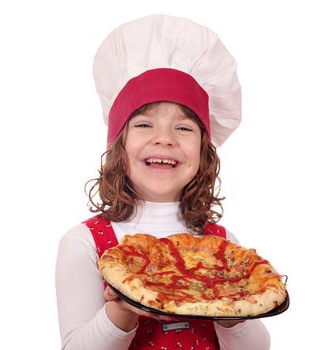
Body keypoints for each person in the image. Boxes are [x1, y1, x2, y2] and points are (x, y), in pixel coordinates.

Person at [55, 14, 271, 350]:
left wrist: (230, 307)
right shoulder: (84, 243)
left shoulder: (222, 246)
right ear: (118, 146)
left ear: (203, 151)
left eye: (183, 128)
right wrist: (122, 309)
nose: (165, 139)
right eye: (144, 125)